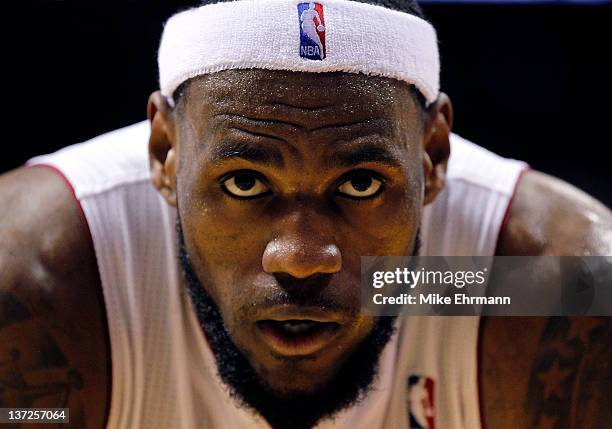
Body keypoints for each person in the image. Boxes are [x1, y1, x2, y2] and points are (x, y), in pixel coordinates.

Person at [1, 0, 610, 428]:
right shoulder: (36, 281)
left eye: (361, 183)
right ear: (165, 152)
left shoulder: (544, 283)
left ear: (431, 157)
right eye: (245, 182)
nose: (300, 257)